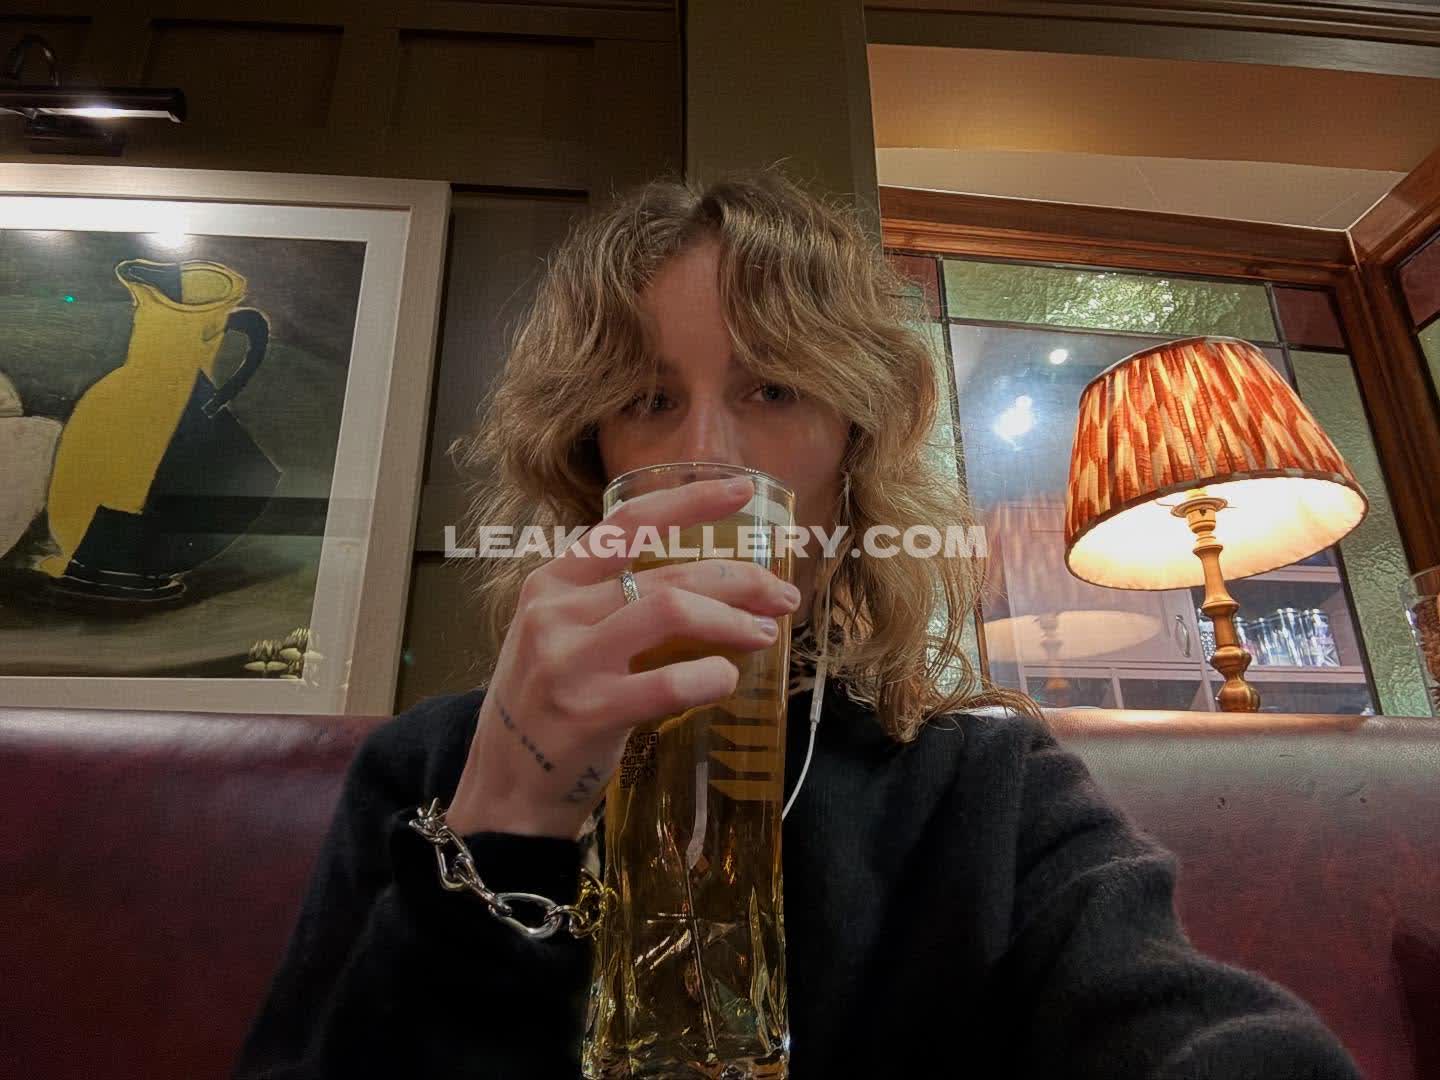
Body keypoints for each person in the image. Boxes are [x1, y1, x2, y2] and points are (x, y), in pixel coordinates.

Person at [233, 169, 1361, 1079]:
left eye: (772, 389)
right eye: (648, 399)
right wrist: (508, 817)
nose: (709, 461)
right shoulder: (429, 768)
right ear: (591, 459)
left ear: (852, 453)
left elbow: (1184, 1029)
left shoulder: (980, 787)